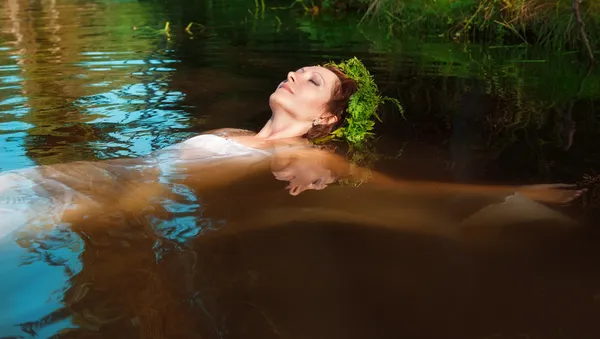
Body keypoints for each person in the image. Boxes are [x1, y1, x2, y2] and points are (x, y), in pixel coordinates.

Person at [0, 58, 585, 241]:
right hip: (79, 174)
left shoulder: (309, 163)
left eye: (310, 81)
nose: (292, 75)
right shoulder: (232, 133)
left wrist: (513, 193)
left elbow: (402, 192)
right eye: (297, 70)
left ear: (326, 118)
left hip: (108, 198)